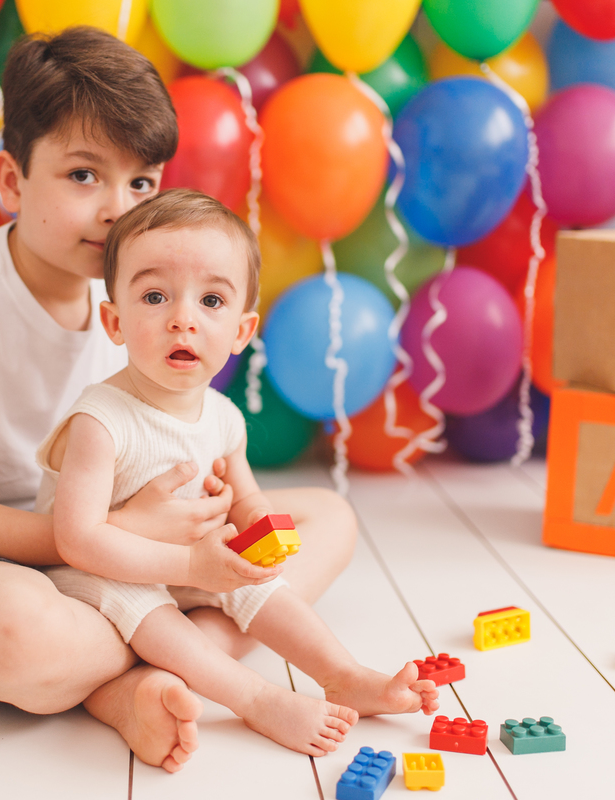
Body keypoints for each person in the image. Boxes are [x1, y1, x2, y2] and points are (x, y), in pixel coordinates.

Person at [0, 27, 360, 773]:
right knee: (18, 636)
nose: (118, 208)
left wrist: (198, 514)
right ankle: (156, 665)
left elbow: (169, 435)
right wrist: (149, 543)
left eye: (141, 182)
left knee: (330, 520)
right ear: (12, 182)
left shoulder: (135, 299)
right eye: (84, 176)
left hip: (120, 553)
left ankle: (143, 676)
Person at [35, 189, 440, 756]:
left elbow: (245, 498)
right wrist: (189, 564)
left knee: (262, 588)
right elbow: (75, 540)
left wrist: (258, 537)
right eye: (154, 296)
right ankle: (256, 700)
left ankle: (344, 674)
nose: (182, 319)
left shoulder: (223, 417)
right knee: (147, 610)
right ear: (114, 320)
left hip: (189, 560)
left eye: (211, 301)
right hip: (101, 573)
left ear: (242, 333)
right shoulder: (100, 421)